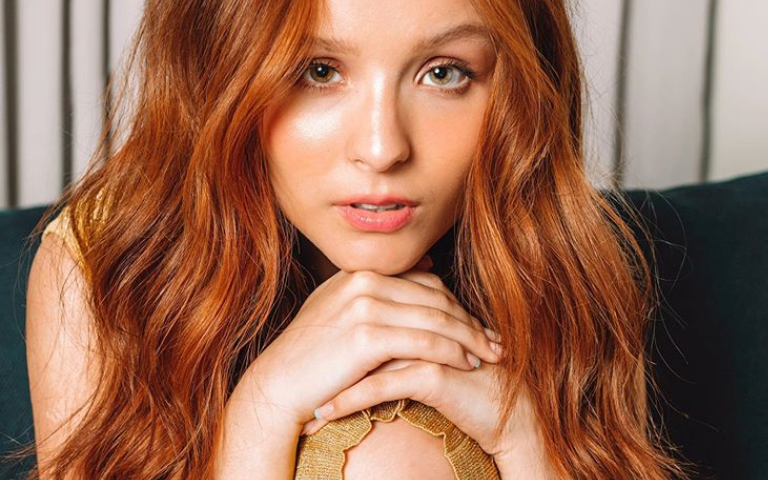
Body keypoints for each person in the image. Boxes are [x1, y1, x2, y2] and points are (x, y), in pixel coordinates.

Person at [15, 0, 698, 478]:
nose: (382, 147)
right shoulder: (107, 266)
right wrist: (260, 418)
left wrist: (526, 445)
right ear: (215, 72)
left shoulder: (569, 267)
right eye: (318, 71)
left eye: (444, 72)